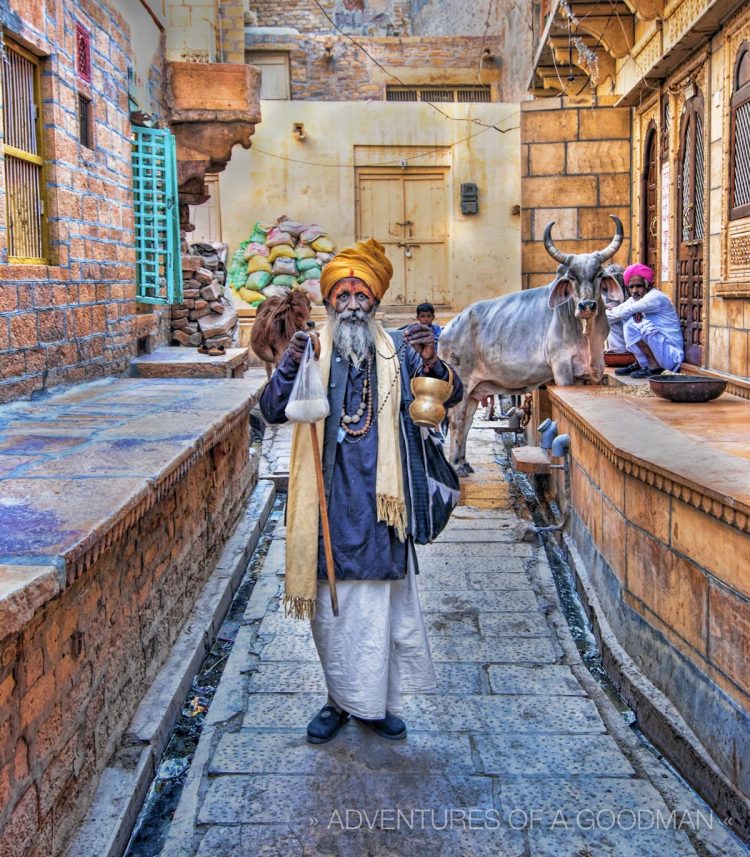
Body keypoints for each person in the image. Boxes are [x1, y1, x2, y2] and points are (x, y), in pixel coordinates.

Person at [259, 238, 463, 745]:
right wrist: (289, 363)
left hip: (383, 510)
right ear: (329, 301)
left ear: (375, 300)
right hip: (329, 503)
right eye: (342, 294)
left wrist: (433, 362)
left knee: (379, 612)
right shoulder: (314, 349)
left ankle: (377, 706)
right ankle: (338, 700)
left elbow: (450, 393)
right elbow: (269, 409)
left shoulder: (399, 350)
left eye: (361, 293)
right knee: (335, 612)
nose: (352, 303)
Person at [606, 263, 684, 378]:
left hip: (671, 356)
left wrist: (594, 314)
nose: (634, 290)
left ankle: (654, 367)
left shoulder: (655, 297)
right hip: (660, 351)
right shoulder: (636, 298)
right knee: (627, 321)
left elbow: (621, 312)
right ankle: (641, 363)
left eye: (638, 286)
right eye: (631, 287)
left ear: (647, 285)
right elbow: (616, 312)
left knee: (631, 323)